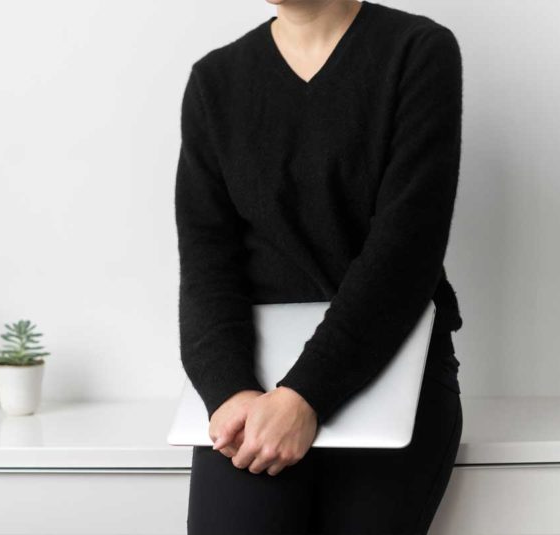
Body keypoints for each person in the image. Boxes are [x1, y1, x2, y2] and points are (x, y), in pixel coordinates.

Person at [174, 0, 464, 533]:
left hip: (392, 370)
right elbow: (206, 266)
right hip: (251, 391)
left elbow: (406, 251)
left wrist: (305, 395)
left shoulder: (417, 50)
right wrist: (230, 393)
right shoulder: (215, 81)